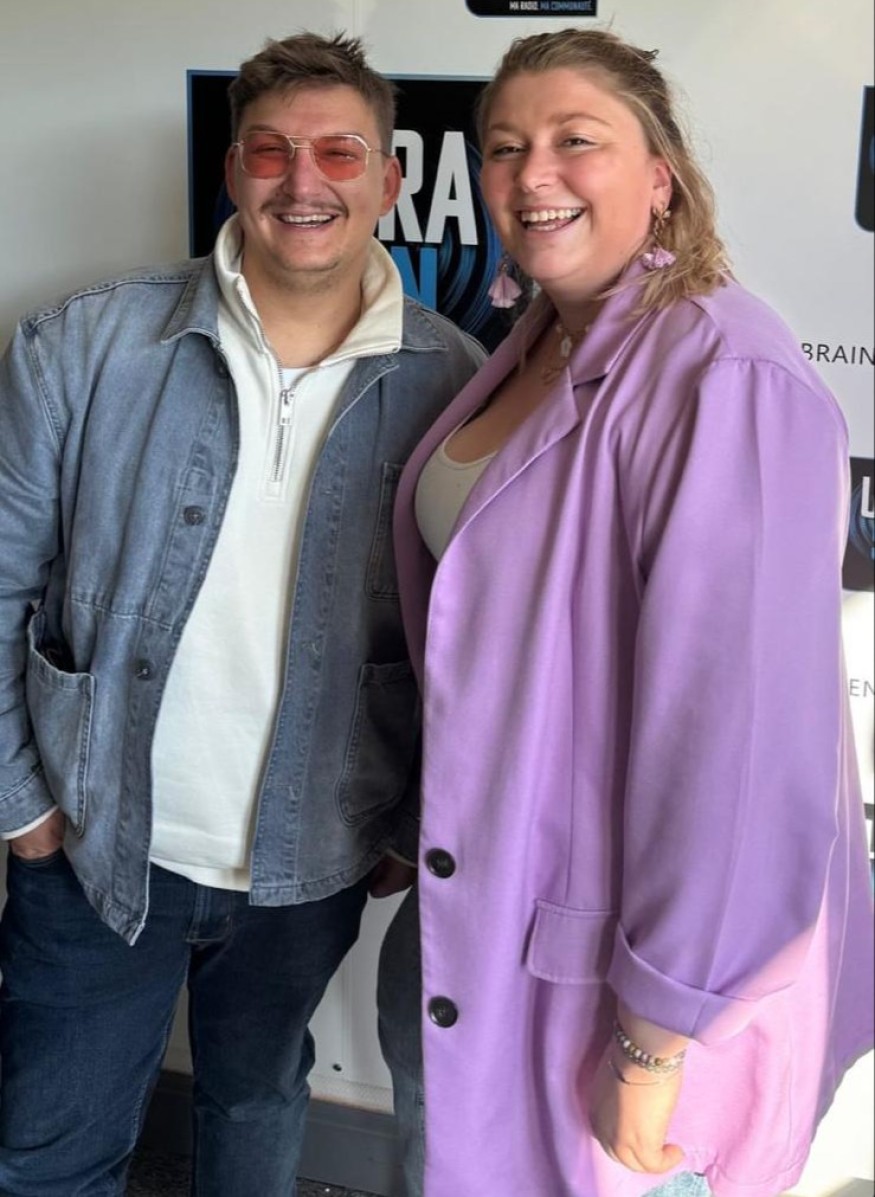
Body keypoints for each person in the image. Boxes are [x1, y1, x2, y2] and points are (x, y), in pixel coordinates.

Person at [377, 26, 874, 1197]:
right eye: (504, 147)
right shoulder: (539, 339)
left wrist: (657, 1037)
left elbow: (738, 752)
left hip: (614, 1005)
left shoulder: (722, 374)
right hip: (476, 933)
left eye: (574, 140)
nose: (530, 174)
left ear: (659, 175)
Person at [0, 31, 483, 1197]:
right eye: (269, 152)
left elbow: (466, 650)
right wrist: (23, 807)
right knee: (52, 1151)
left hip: (310, 865)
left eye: (338, 152)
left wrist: (402, 821)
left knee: (258, 1103)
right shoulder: (82, 345)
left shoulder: (460, 385)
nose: (301, 180)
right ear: (231, 172)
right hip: (93, 843)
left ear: (390, 179)